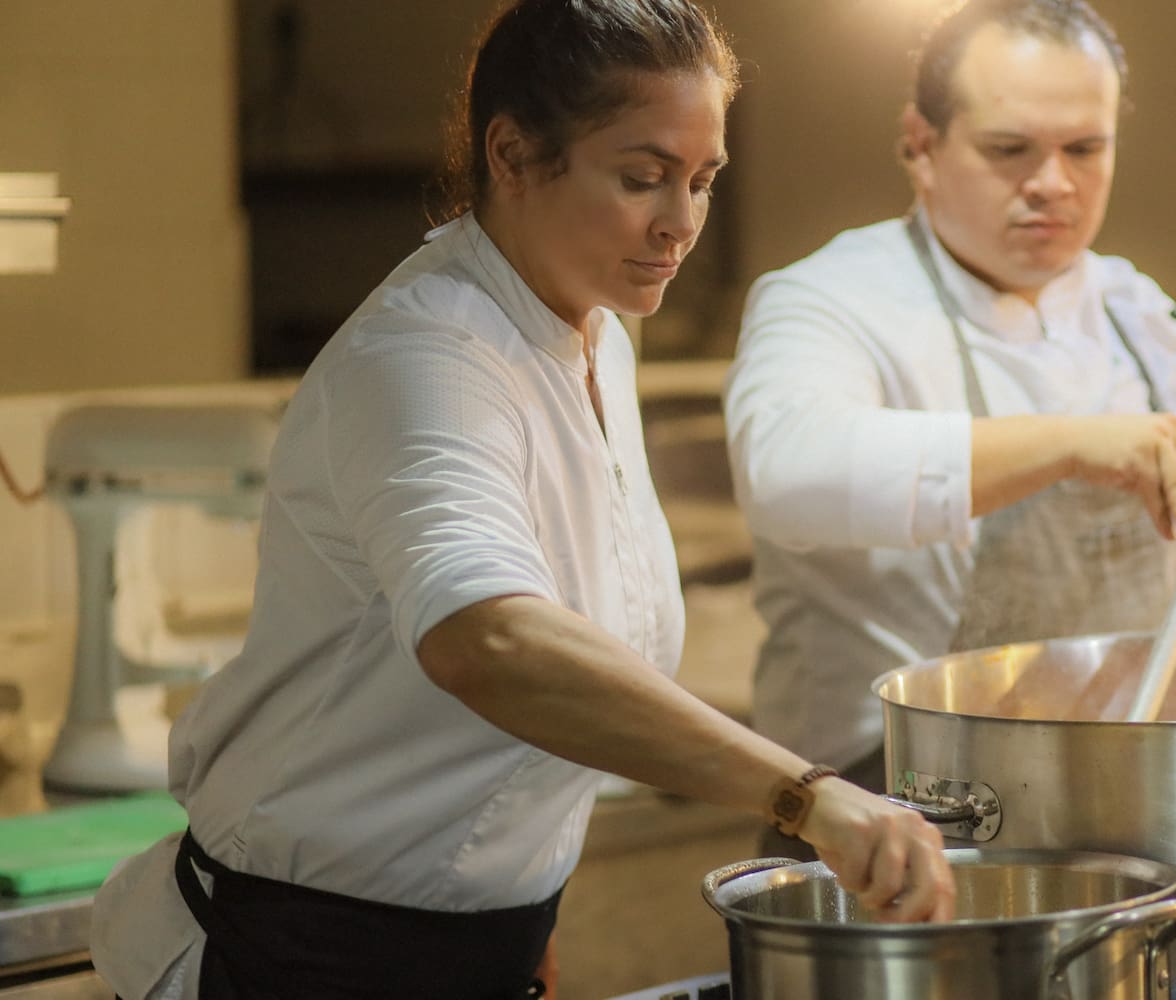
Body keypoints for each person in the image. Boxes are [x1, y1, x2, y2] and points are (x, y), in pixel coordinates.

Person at [91, 3, 952, 997]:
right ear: (512, 153)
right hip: (298, 952)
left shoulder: (598, 337)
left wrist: (522, 904)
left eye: (701, 181)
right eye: (640, 177)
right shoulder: (424, 353)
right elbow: (488, 640)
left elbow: (557, 692)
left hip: (479, 945)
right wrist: (804, 795)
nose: (679, 220)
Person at [724, 0, 1176, 856]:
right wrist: (1078, 442)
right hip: (886, 802)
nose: (1053, 183)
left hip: (1111, 783)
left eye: (1085, 149)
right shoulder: (829, 299)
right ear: (919, 145)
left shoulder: (1124, 303)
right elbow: (789, 475)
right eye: (1010, 150)